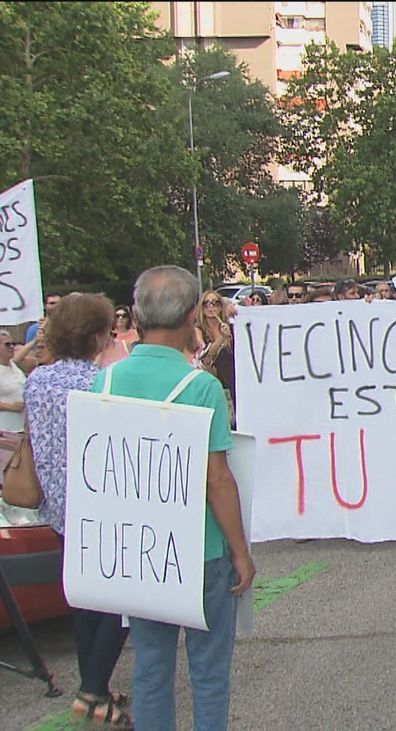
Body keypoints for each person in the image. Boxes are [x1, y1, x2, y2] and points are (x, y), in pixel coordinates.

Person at [103, 266, 255, 730]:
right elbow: (217, 480)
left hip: (139, 547)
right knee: (208, 670)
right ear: (192, 315)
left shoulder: (105, 382)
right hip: (201, 548)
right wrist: (240, 551)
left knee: (150, 667)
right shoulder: (200, 387)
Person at [25, 293, 131, 728]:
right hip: (100, 504)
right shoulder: (100, 384)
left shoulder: (37, 382)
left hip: (59, 507)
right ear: (95, 336)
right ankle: (91, 690)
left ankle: (95, 688)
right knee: (120, 601)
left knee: (85, 601)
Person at [196, 291, 235, 397]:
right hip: (210, 386)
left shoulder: (230, 328)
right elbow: (205, 355)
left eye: (215, 303)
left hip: (231, 384)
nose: (211, 307)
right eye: (206, 303)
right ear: (202, 308)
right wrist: (222, 337)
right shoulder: (198, 330)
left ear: (221, 307)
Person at [0, 330, 27, 433]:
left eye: (13, 344)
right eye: (7, 344)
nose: (12, 347)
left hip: (21, 428)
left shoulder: (13, 365)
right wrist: (11, 407)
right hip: (4, 430)